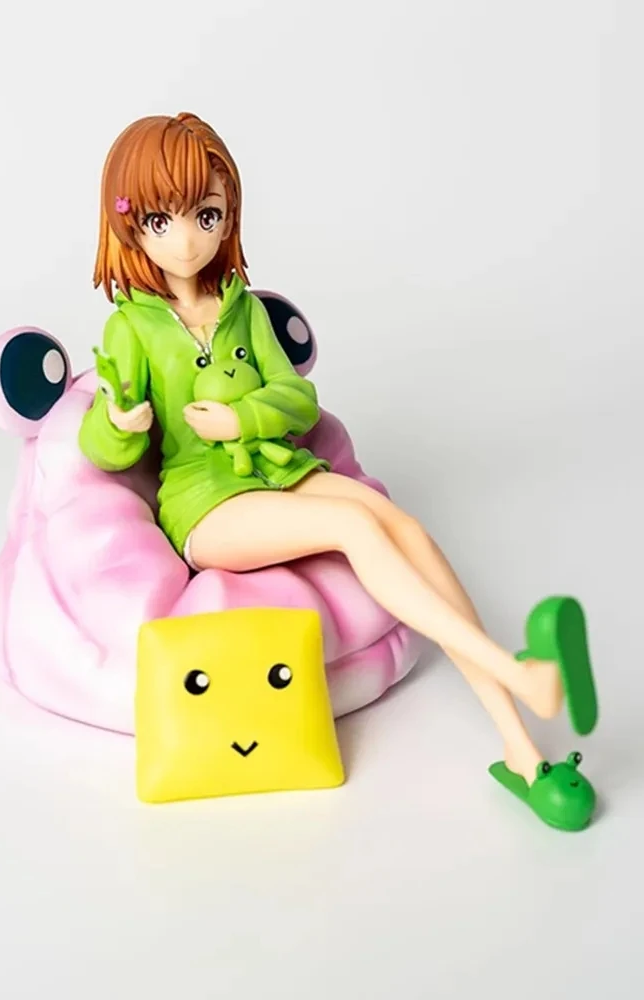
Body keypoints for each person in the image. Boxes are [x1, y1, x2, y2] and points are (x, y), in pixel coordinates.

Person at [78, 112, 599, 830]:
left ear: (229, 214)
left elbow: (298, 398)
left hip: (280, 468)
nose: (188, 239)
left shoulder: (241, 308)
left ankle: (520, 748)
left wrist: (243, 418)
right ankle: (517, 670)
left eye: (207, 215)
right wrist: (121, 421)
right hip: (206, 505)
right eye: (162, 221)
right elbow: (102, 443)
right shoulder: (130, 325)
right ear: (129, 226)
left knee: (403, 525)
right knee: (354, 526)